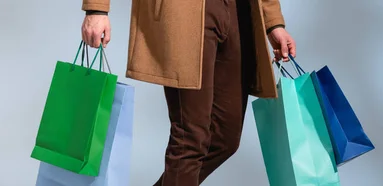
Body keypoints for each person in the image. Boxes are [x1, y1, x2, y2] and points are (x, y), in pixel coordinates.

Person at [81, 0, 296, 185]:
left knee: (224, 138)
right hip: (182, 12)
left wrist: (272, 21)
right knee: (190, 138)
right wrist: (97, 9)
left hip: (238, 11)